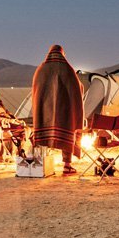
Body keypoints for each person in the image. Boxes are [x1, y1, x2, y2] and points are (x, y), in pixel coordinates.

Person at [31, 45, 84, 175]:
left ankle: (39, 164)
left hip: (44, 110)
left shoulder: (41, 69)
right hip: (64, 110)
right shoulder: (68, 69)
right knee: (68, 131)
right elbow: (77, 89)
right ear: (62, 54)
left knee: (43, 133)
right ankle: (67, 165)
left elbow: (36, 91)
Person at [0, 87, 32, 159]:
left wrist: (17, 120)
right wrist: (11, 121)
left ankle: (22, 150)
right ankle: (20, 152)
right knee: (25, 130)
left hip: (9, 123)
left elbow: (9, 114)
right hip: (5, 125)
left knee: (28, 129)